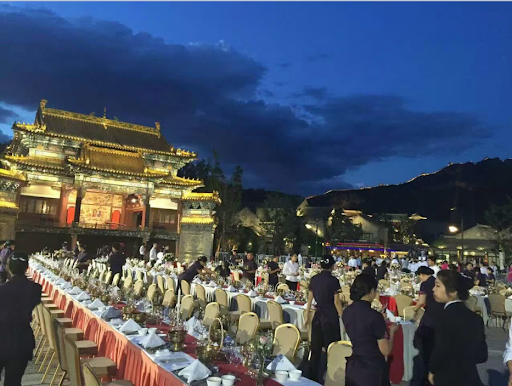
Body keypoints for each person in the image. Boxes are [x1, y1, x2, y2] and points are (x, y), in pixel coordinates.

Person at [429, 270, 487, 386]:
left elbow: (440, 350)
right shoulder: (476, 319)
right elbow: (482, 355)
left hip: (446, 376)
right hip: (470, 377)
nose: (433, 289)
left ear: (453, 291)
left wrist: (432, 370)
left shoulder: (442, 317)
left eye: (438, 285)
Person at [343, 273, 398, 386]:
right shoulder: (374, 316)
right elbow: (385, 350)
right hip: (372, 369)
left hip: (354, 366)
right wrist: (392, 332)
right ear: (372, 291)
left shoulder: (347, 312)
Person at [0, 252, 41, 386]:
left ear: (8, 268)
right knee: (13, 382)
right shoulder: (35, 289)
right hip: (22, 340)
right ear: (27, 267)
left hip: (2, 337)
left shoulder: (2, 290)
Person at [304, 255, 343, 383]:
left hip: (318, 315)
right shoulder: (333, 280)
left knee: (315, 348)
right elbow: (337, 302)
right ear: (332, 266)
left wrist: (306, 315)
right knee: (331, 347)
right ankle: (332, 377)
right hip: (330, 316)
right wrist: (343, 316)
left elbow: (309, 300)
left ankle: (313, 377)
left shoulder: (314, 279)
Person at [410, 266, 444, 386]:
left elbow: (421, 301)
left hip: (429, 315)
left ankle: (425, 375)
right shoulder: (436, 282)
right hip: (440, 314)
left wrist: (413, 310)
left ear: (422, 274)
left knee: (424, 345)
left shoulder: (424, 284)